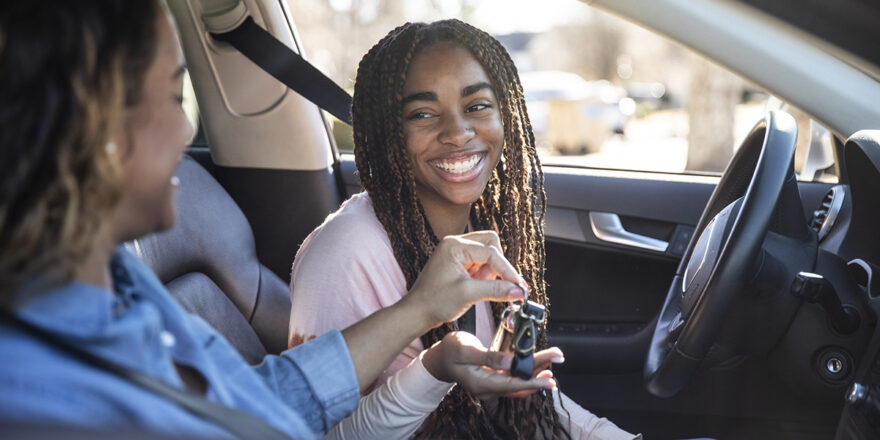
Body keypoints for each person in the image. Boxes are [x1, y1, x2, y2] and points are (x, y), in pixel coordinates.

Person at [0, 2, 557, 439]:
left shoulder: (122, 285)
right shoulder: (37, 400)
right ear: (91, 128)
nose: (184, 135)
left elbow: (263, 402)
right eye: (176, 97)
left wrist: (424, 328)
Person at [289, 19, 637, 440]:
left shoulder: (483, 230)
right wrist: (433, 370)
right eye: (422, 113)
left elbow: (527, 395)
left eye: (476, 106)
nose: (457, 132)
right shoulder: (345, 254)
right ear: (388, 133)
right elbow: (319, 434)